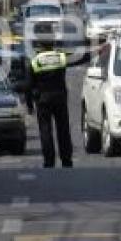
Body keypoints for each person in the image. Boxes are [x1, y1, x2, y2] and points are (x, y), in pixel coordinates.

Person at [26, 37, 89, 168]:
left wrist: (29, 105)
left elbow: (29, 86)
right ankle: (66, 160)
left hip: (42, 100)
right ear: (53, 45)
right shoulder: (60, 57)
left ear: (39, 47)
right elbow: (81, 58)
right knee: (63, 130)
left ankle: (49, 161)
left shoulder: (35, 61)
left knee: (45, 131)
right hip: (59, 98)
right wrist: (98, 51)